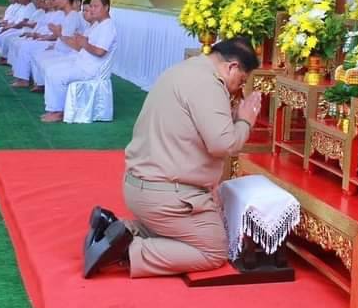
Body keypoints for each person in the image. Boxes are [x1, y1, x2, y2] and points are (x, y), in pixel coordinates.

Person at [81, 37, 261, 278]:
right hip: (168, 196)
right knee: (213, 250)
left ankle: (118, 228)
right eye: (241, 81)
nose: (238, 88)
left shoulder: (182, 69)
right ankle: (128, 251)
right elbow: (223, 143)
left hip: (139, 186)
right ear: (232, 67)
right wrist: (246, 120)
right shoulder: (208, 83)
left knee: (173, 232)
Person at [36, 0, 117, 123]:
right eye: (91, 6)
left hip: (91, 69)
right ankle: (54, 109)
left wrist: (85, 43)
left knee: (56, 75)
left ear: (106, 7)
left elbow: (100, 51)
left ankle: (59, 112)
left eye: (96, 6)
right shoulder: (97, 24)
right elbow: (82, 47)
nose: (92, 9)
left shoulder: (108, 26)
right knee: (51, 70)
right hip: (81, 62)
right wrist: (75, 40)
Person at [11, 0, 81, 89]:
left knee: (31, 50)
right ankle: (37, 83)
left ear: (65, 0)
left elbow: (66, 38)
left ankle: (30, 81)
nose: (55, 1)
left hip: (64, 50)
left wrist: (54, 36)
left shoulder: (73, 15)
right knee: (34, 53)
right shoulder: (67, 15)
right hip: (58, 46)